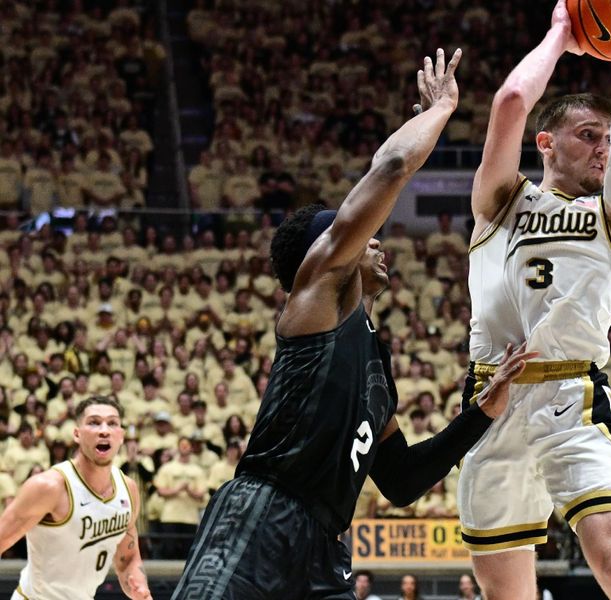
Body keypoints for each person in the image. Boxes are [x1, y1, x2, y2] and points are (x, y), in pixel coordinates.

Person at [172, 49, 536, 600]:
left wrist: (483, 411)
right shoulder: (315, 300)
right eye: (364, 237)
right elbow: (391, 168)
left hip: (326, 544)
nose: (378, 241)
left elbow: (403, 480)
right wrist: (440, 110)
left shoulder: (375, 365)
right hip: (262, 514)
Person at [458, 2, 611, 598]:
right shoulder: (501, 201)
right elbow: (508, 102)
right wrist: (559, 33)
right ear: (547, 144)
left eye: (605, 137)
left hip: (570, 399)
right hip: (489, 403)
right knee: (507, 594)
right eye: (588, 136)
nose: (603, 148)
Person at [0, 396, 151, 599]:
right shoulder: (49, 487)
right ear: (77, 434)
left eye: (112, 423)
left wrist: (139, 588)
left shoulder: (128, 489)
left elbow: (128, 558)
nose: (104, 430)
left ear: (121, 436)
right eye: (94, 422)